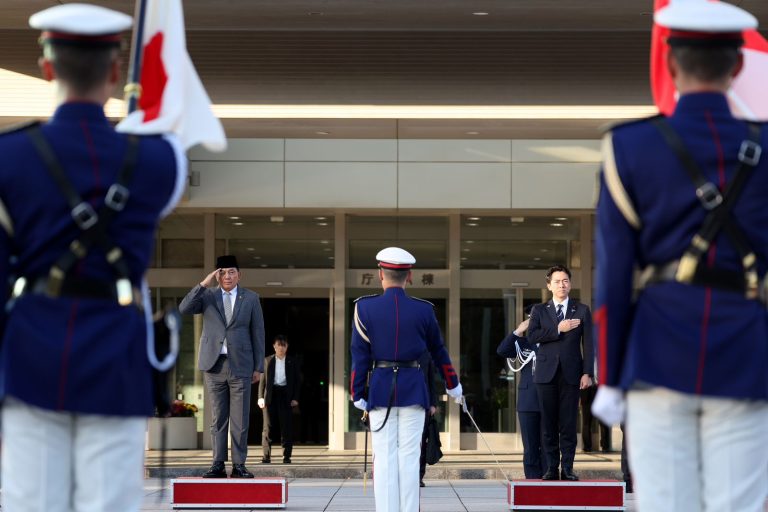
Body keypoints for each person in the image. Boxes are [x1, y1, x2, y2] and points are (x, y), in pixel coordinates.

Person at [0, 4, 185, 511]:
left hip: (32, 355)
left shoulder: (9, 157)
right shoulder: (158, 160)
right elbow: (169, 147)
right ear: (113, 70)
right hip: (116, 357)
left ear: (47, 67)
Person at [592, 1, 768, 510]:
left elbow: (615, 275)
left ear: (669, 64)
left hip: (657, 350)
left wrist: (611, 375)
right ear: (737, 67)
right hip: (746, 351)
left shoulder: (630, 146)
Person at [350, 247, 463, 512]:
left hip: (379, 390)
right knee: (410, 459)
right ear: (409, 276)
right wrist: (452, 384)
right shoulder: (424, 310)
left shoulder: (364, 308)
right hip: (414, 389)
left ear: (380, 274)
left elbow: (359, 356)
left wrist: (357, 393)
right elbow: (439, 352)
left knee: (385, 459)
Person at [179, 254, 265, 478]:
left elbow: (258, 333)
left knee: (240, 419)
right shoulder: (208, 296)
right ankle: (217, 464)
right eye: (223, 272)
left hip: (242, 366)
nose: (227, 276)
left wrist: (258, 366)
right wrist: (203, 283)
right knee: (218, 419)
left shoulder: (251, 298)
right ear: (217, 275)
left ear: (239, 274)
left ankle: (239, 465)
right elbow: (184, 308)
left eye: (232, 272)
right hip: (214, 364)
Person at [527, 265, 594, 481]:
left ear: (570, 284)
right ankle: (551, 468)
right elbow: (532, 336)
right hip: (545, 374)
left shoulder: (582, 310)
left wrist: (587, 373)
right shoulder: (539, 310)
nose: (561, 285)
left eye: (565, 281)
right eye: (557, 281)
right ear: (549, 285)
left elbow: (590, 345)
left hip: (572, 374)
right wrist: (559, 329)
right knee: (548, 423)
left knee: (568, 423)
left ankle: (567, 468)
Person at [496, 305, 547, 479]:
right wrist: (519, 330)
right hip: (528, 400)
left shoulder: (553, 340)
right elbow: (502, 350)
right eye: (533, 318)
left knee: (548, 444)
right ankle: (532, 482)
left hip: (549, 398)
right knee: (530, 446)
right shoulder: (523, 343)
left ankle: (549, 481)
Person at [258, 334, 300, 464]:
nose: (281, 348)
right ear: (274, 346)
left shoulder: (292, 361)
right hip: (270, 396)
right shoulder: (267, 360)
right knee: (267, 427)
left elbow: (297, 382)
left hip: (285, 396)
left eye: (283, 345)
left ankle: (286, 456)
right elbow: (262, 381)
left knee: (286, 427)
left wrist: (295, 398)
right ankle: (266, 456)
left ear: (287, 347)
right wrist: (260, 397)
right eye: (278, 345)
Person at [418, 351, 439, 487]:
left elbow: (432, 380)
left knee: (422, 442)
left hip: (423, 404)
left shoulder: (426, 353)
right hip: (404, 404)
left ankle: (418, 476)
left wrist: (433, 403)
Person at [579, 383, 610, 452]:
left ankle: (605, 446)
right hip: (586, 390)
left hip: (601, 390)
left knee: (603, 421)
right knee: (586, 422)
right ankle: (587, 447)